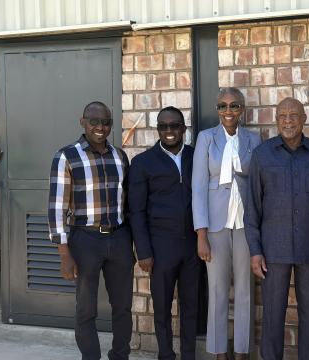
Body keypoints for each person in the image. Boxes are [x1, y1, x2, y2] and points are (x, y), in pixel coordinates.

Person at [244, 97, 309, 360]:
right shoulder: (262, 154)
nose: (287, 121)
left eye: (293, 115)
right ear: (276, 120)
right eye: (282, 116)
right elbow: (253, 207)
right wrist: (255, 250)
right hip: (273, 250)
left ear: (304, 118)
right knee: (272, 315)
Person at [48, 101, 133, 360]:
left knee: (123, 308)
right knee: (86, 310)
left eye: (106, 122)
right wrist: (64, 253)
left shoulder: (119, 155)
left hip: (118, 238)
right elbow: (57, 207)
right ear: (82, 122)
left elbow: (126, 200)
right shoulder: (67, 156)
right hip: (84, 239)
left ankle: (120, 356)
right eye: (94, 121)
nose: (100, 127)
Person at [193, 88, 262, 360]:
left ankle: (242, 351)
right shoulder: (206, 138)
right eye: (222, 106)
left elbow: (257, 184)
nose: (228, 111)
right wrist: (201, 234)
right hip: (215, 224)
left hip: (245, 224)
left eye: (234, 106)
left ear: (242, 109)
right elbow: (198, 187)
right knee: (218, 290)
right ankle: (220, 352)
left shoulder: (253, 140)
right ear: (217, 109)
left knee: (245, 289)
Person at [129, 106, 199, 360]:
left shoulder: (196, 156)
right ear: (158, 129)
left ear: (183, 128)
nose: (169, 131)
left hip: (193, 245)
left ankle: (188, 355)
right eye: (163, 126)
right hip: (160, 247)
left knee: (191, 306)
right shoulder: (142, 163)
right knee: (162, 308)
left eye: (174, 125)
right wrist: (143, 252)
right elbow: (136, 211)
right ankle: (166, 354)